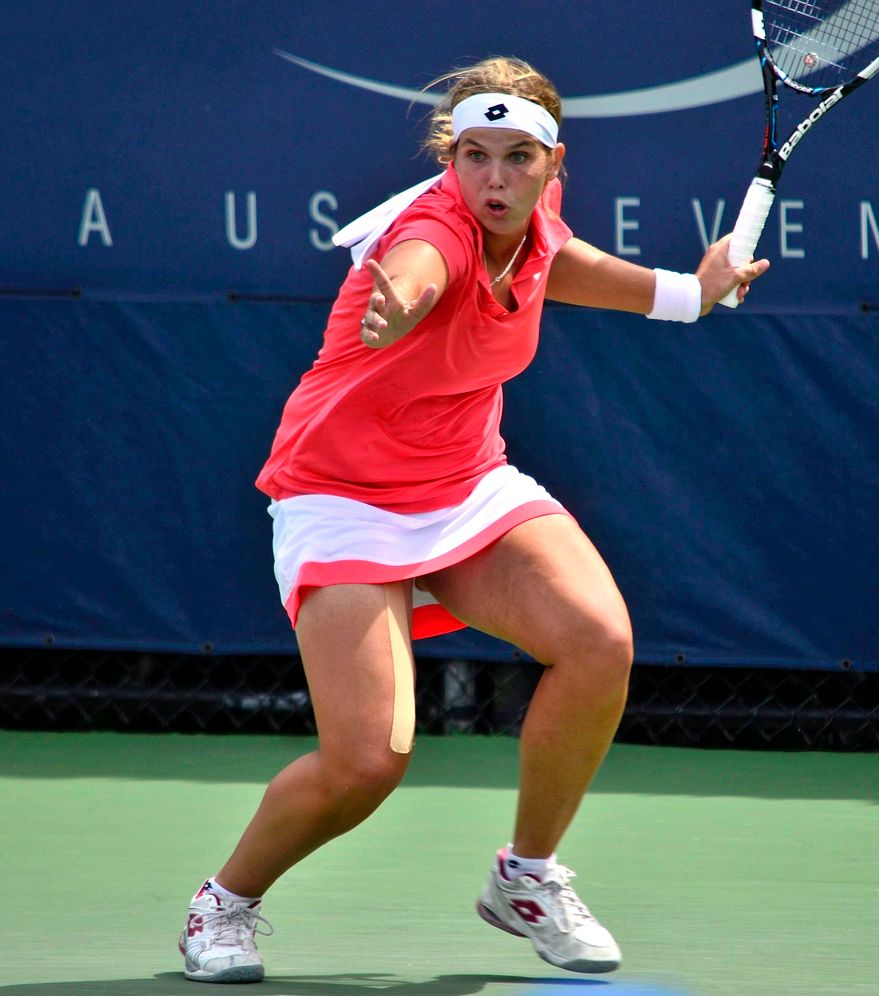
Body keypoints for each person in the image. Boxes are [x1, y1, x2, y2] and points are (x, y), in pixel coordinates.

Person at [179, 56, 769, 984]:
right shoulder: (434, 231)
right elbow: (419, 270)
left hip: (465, 484)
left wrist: (695, 291)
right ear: (451, 160)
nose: (495, 179)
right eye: (475, 157)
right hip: (342, 497)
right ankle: (224, 904)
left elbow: (575, 269)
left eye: (517, 159)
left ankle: (526, 878)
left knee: (597, 639)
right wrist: (397, 305)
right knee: (367, 764)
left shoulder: (534, 235)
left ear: (553, 163)